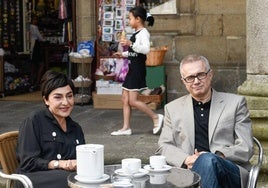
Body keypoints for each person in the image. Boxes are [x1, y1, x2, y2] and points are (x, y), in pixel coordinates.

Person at [156, 54, 254, 188]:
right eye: (190, 78)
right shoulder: (172, 109)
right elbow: (164, 146)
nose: (196, 81)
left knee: (207, 160)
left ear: (210, 74)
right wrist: (187, 159)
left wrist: (218, 156)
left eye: (200, 74)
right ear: (184, 81)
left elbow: (246, 146)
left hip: (228, 172)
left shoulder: (236, 103)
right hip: (188, 173)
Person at [15, 70, 85, 188]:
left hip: (65, 177)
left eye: (69, 96)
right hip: (33, 178)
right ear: (46, 100)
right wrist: (59, 164)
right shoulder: (34, 121)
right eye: (58, 97)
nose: (65, 102)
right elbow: (28, 162)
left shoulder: (75, 128)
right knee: (72, 180)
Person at [111, 6, 163, 136]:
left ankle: (156, 117)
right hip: (132, 68)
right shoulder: (138, 33)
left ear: (138, 19)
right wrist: (122, 54)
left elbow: (145, 50)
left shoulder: (144, 33)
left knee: (132, 100)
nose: (129, 21)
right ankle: (126, 128)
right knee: (125, 98)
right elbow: (135, 53)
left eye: (130, 18)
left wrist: (130, 43)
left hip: (137, 70)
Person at [30, 15, 45, 90]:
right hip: (36, 46)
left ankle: (33, 81)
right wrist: (43, 38)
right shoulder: (34, 27)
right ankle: (37, 82)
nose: (36, 21)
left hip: (32, 46)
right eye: (34, 19)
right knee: (41, 64)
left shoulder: (29, 27)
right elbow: (40, 38)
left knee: (33, 64)